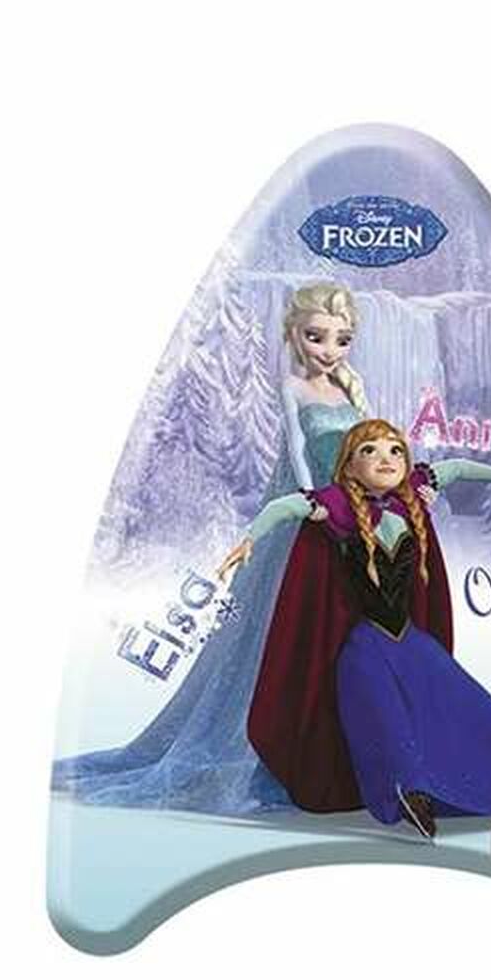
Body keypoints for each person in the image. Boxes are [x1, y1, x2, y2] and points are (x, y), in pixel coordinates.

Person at [51, 283, 372, 812]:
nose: (329, 350)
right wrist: (313, 499)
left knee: (342, 627)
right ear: (294, 335)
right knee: (284, 621)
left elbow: (374, 444)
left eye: (342, 339)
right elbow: (297, 449)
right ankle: (273, 741)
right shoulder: (294, 388)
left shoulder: (351, 391)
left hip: (352, 518)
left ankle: (336, 741)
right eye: (317, 337)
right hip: (309, 514)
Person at [217, 418, 491, 838]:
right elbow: (285, 507)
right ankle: (411, 794)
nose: (386, 458)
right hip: (364, 647)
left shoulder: (412, 493)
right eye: (370, 451)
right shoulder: (337, 505)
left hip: (412, 644)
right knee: (386, 716)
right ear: (349, 466)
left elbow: (457, 467)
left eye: (395, 450)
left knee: (470, 706)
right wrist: (250, 538)